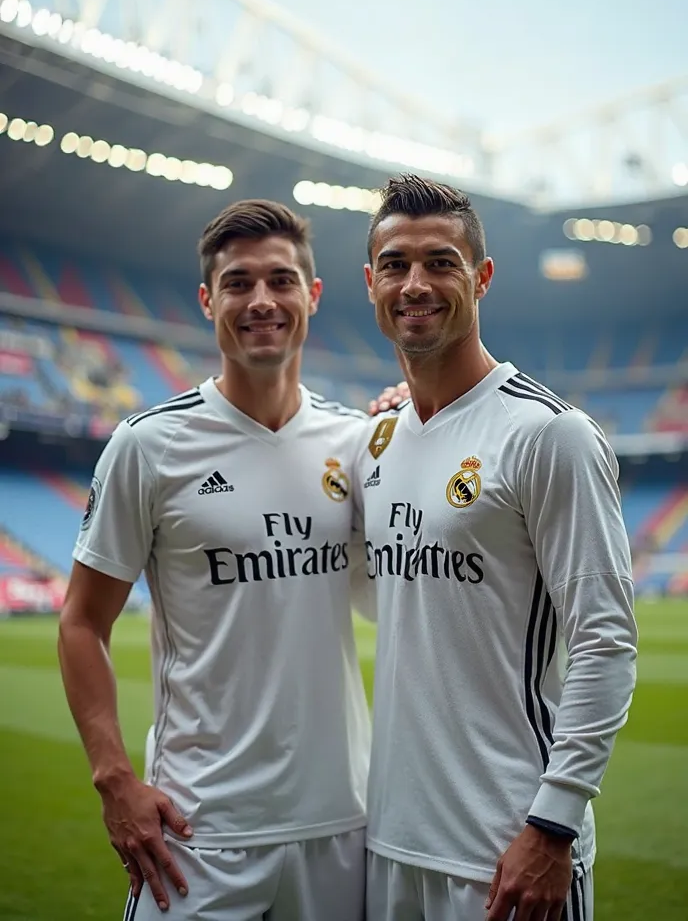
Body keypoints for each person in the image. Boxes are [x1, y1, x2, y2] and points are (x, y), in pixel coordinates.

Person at [57, 199, 376, 921]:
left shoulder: (358, 442)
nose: (261, 300)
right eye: (238, 283)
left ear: (312, 295)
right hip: (199, 831)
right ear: (208, 301)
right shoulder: (148, 446)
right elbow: (81, 623)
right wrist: (114, 781)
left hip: (342, 823)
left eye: (280, 280)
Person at [357, 174, 638, 921]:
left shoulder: (550, 435)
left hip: (507, 850)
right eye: (397, 265)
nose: (416, 284)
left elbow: (606, 641)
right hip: (389, 844)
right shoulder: (376, 441)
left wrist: (553, 824)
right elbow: (373, 593)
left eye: (441, 262)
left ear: (481, 277)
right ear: (371, 283)